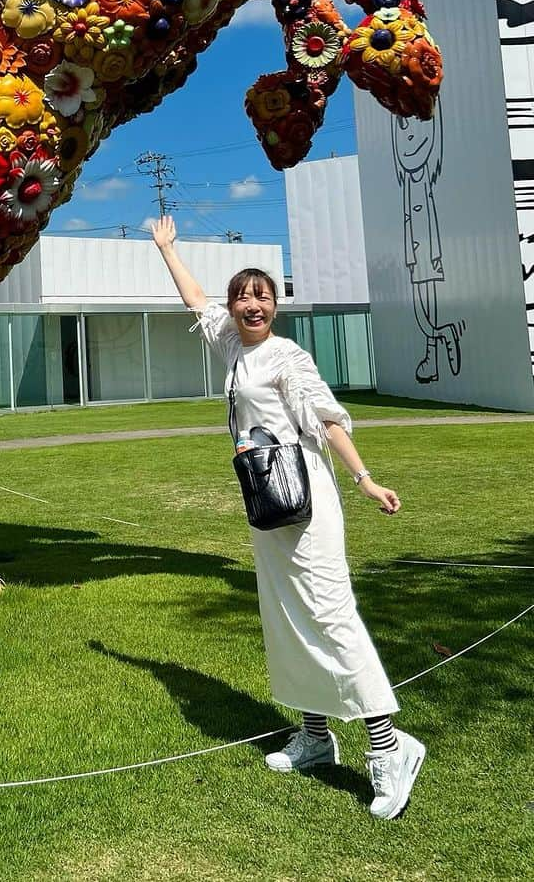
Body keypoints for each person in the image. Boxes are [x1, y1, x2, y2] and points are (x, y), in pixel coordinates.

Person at [150, 215, 426, 820]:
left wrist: (364, 479)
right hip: (264, 500)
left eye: (262, 295)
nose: (252, 305)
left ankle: (389, 748)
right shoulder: (229, 341)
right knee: (285, 616)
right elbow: (196, 301)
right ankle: (316, 736)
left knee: (329, 615)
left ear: (276, 304)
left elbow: (327, 420)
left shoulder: (287, 357)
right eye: (243, 297)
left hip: (306, 499)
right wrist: (168, 250)